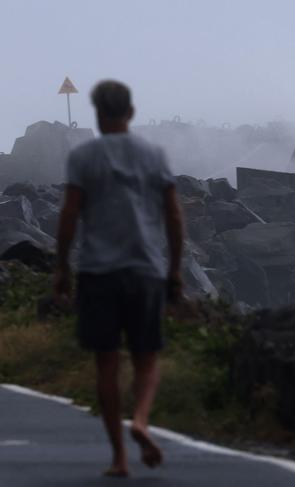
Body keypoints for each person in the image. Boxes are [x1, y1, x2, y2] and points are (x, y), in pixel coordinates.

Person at [54, 80, 184, 478]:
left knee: (106, 365)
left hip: (97, 272)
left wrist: (62, 267)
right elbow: (173, 216)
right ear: (131, 112)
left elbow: (70, 214)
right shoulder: (154, 155)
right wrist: (175, 269)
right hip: (144, 270)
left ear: (97, 113)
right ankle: (141, 418)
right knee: (147, 358)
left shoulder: (83, 156)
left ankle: (119, 458)